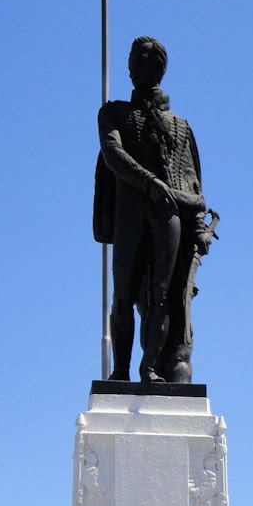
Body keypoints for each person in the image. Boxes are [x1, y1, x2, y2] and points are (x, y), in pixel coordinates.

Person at [94, 36, 213, 384]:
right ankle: (120, 371)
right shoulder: (114, 113)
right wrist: (151, 184)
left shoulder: (180, 126)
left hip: (168, 217)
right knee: (123, 295)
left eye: (148, 60)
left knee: (161, 296)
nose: (140, 65)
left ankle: (151, 368)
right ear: (129, 68)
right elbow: (114, 155)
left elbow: (195, 189)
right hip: (130, 214)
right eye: (136, 59)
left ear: (160, 69)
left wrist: (195, 225)